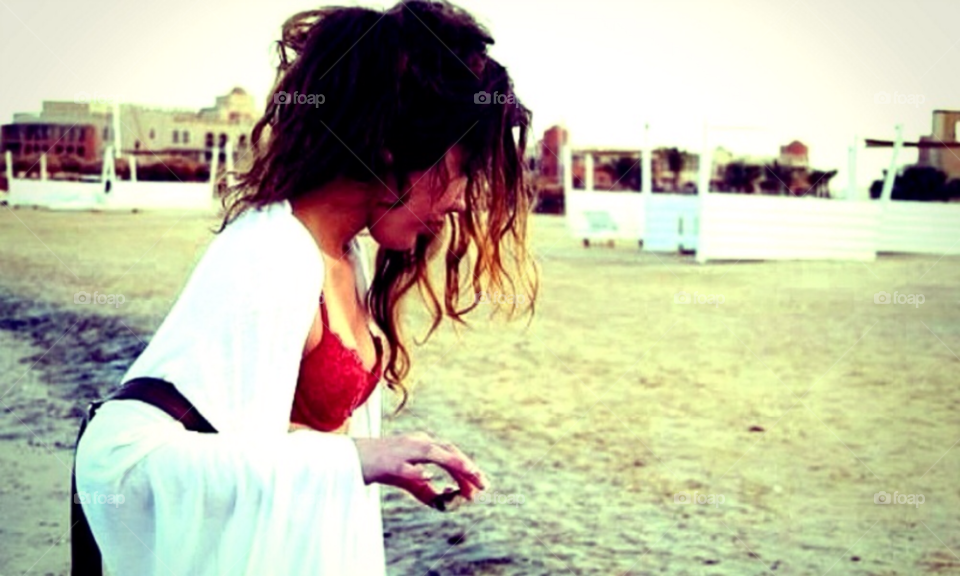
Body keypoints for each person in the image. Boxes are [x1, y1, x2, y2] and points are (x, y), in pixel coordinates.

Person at [73, 1, 536, 574]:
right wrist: (351, 462)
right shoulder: (268, 256)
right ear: (394, 148)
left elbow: (280, 438)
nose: (464, 198)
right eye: (463, 167)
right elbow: (118, 458)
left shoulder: (346, 254)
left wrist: (365, 464)